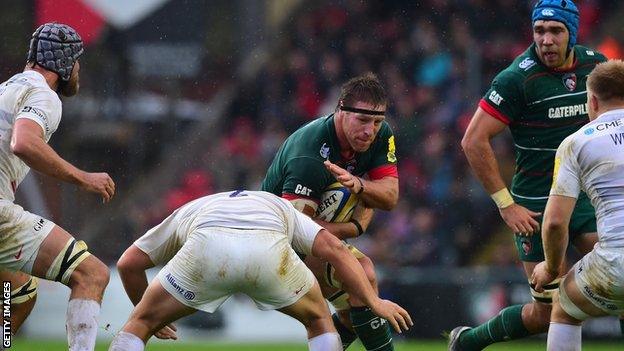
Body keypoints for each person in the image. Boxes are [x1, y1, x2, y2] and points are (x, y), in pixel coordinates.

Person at [452, 1, 608, 349]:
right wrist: (506, 205)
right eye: (539, 31)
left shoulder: (596, 66)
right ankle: (469, 341)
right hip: (536, 203)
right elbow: (473, 141)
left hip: (583, 197)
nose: (546, 40)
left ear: (572, 34)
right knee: (547, 312)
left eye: (555, 31)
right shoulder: (516, 79)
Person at [109, 190, 412, 351]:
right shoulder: (281, 207)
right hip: (267, 250)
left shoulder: (190, 208)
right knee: (319, 320)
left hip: (207, 246)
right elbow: (334, 249)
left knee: (138, 324)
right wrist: (375, 301)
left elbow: (128, 264)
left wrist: (149, 316)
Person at [261, 72, 399, 350]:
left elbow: (390, 197)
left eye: (377, 122)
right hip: (274, 245)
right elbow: (297, 230)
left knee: (351, 315)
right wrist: (354, 227)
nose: (369, 131)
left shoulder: (381, 136)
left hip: (317, 233)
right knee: (364, 272)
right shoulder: (309, 154)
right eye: (362, 120)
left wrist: (360, 186)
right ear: (340, 111)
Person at [0, 22, 115, 350]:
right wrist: (84, 178)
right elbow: (24, 142)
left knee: (17, 294)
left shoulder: (7, 88)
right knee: (91, 274)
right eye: (77, 61)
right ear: (65, 63)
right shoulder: (43, 95)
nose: (79, 70)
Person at [531, 59, 624, 351]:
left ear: (592, 100)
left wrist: (550, 267)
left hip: (617, 263)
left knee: (565, 306)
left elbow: (556, 221)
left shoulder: (577, 142)